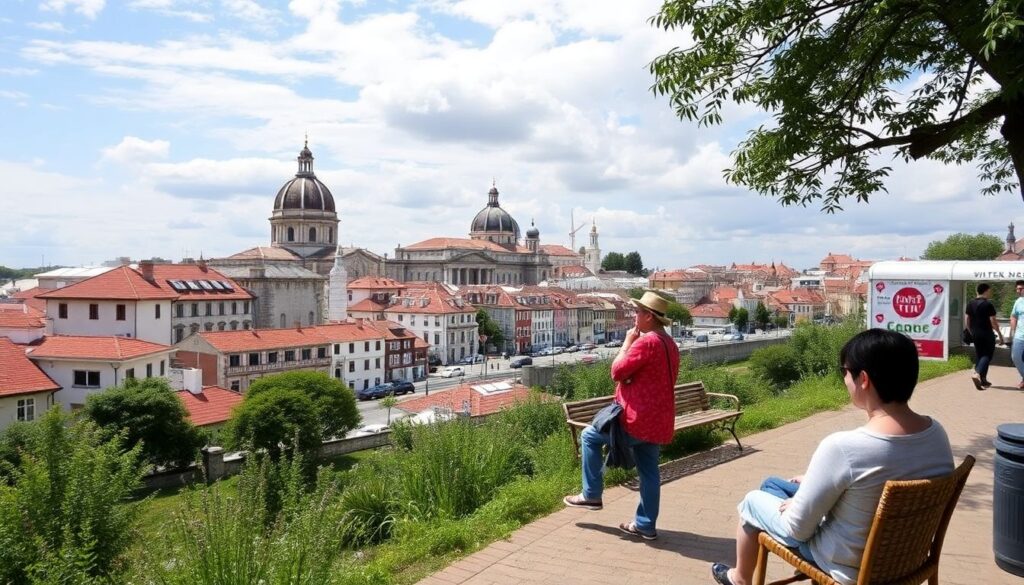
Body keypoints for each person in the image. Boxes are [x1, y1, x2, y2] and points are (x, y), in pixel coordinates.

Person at [710, 329, 954, 585]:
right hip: (906, 558)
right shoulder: (937, 434)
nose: (844, 379)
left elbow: (798, 529)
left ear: (864, 379)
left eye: (845, 371)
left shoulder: (844, 447)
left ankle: (739, 578)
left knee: (752, 502)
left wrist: (799, 507)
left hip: (847, 565)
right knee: (772, 485)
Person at [563, 291, 681, 541]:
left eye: (637, 312)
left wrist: (626, 344)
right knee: (649, 472)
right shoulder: (670, 344)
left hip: (637, 419)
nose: (634, 316)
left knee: (588, 436)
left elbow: (617, 371)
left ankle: (591, 494)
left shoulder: (646, 342)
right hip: (659, 420)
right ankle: (645, 525)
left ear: (649, 316)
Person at [965, 283, 1005, 389]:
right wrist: (1000, 335)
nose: (990, 293)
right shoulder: (988, 304)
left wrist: (971, 331)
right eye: (990, 291)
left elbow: (967, 319)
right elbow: (993, 321)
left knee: (980, 355)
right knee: (987, 355)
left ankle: (983, 380)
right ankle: (977, 373)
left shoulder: (970, 303)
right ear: (986, 291)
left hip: (975, 333)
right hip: (987, 333)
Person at [1008, 281, 1024, 389]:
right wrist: (1013, 331)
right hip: (1020, 336)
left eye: (1021, 288)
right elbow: (1013, 316)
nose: (1018, 291)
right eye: (1017, 289)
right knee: (1015, 357)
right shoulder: (1018, 301)